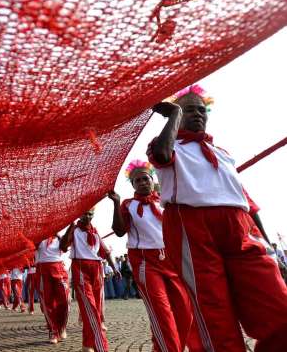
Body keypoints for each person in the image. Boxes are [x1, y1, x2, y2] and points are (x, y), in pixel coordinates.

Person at [148, 85, 287, 351]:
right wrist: (174, 116)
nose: (197, 114)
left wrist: (269, 248)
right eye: (189, 110)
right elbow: (162, 155)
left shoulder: (223, 154)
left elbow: (247, 204)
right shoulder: (168, 145)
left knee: (279, 308)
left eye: (202, 110)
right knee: (215, 316)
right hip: (193, 229)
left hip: (241, 228)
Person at [108, 160, 202, 352]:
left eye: (146, 179)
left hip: (171, 260)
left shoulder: (165, 200)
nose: (142, 183)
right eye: (137, 181)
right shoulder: (128, 205)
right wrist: (116, 204)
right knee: (161, 312)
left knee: (185, 312)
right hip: (145, 262)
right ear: (133, 185)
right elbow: (119, 231)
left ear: (153, 180)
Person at [69, 209, 121, 352]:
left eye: (90, 214)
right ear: (79, 214)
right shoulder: (74, 230)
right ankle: (101, 346)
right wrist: (69, 226)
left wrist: (114, 268)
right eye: (84, 213)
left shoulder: (95, 232)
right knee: (90, 307)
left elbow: (106, 251)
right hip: (80, 267)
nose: (87, 216)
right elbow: (63, 246)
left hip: (97, 269)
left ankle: (87, 345)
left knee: (95, 308)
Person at [36, 226, 73, 344]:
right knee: (47, 303)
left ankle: (62, 326)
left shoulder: (61, 236)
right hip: (43, 270)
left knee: (65, 300)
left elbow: (65, 246)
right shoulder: (40, 237)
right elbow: (32, 246)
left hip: (59, 269)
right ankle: (53, 331)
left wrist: (59, 232)